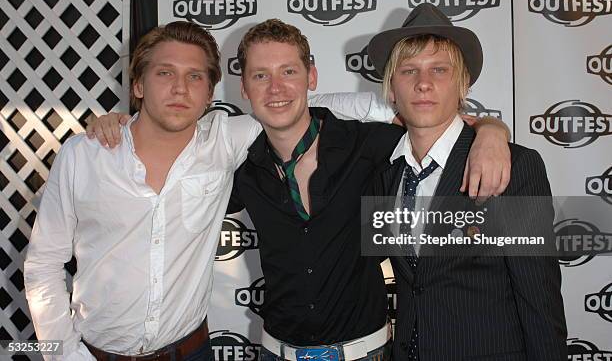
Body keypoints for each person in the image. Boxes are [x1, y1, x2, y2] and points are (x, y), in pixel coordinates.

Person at [85, 20, 512, 361]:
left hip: (368, 352)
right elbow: (165, 150)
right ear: (244, 88)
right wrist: (124, 126)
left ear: (311, 77)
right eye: (261, 76)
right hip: (277, 352)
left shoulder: (368, 145)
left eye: (288, 72)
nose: (276, 88)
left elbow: (438, 122)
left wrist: (492, 131)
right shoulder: (234, 163)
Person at [24, 21, 262, 360]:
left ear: (209, 94)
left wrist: (369, 105)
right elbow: (44, 263)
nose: (180, 88)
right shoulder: (84, 154)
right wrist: (64, 355)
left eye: (194, 76)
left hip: (192, 351)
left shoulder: (223, 142)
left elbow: (302, 110)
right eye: (165, 73)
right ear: (137, 84)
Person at [365, 3, 567, 360]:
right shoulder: (384, 170)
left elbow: (539, 298)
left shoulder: (516, 167)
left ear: (463, 84)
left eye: (439, 70)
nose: (423, 83)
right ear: (391, 88)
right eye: (408, 70)